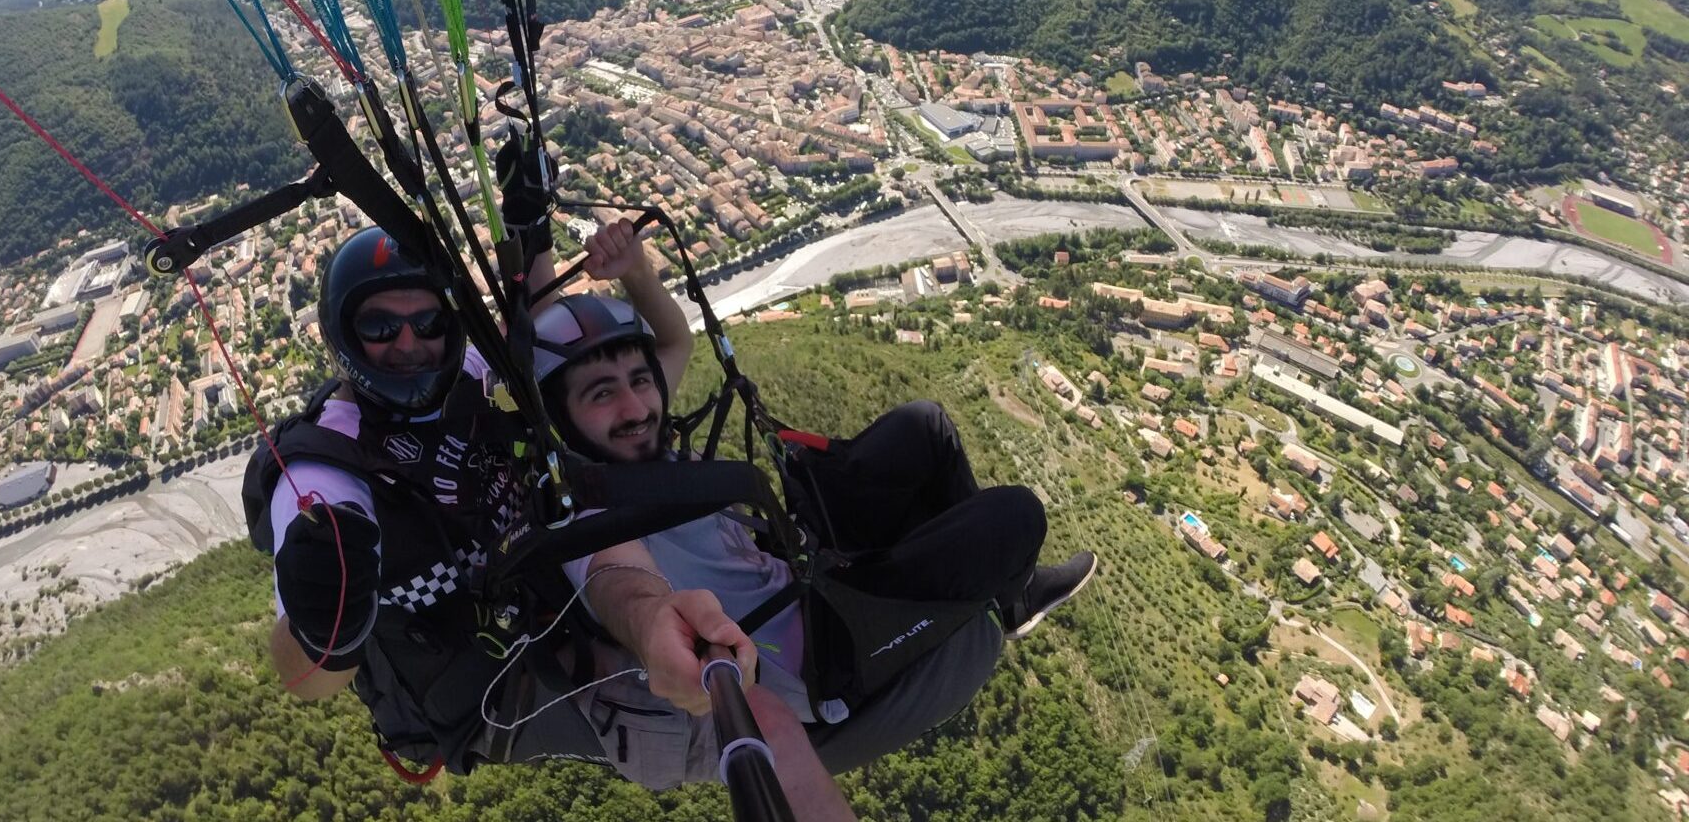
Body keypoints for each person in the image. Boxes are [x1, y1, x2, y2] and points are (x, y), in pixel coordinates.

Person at [241, 218, 856, 818]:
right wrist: (324, 628)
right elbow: (306, 680)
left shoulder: (461, 375)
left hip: (550, 582)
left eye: (426, 322)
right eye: (380, 326)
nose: (407, 344)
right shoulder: (327, 473)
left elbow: (531, 332)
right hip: (496, 678)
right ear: (345, 336)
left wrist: (527, 225)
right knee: (763, 717)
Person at [532, 223, 1099, 781]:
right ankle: (995, 590)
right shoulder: (588, 512)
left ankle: (1007, 591)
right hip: (824, 655)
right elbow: (617, 581)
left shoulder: (638, 443)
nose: (635, 407)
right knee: (1016, 516)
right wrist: (652, 621)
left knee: (924, 426)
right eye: (601, 393)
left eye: (639, 379)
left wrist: (633, 269)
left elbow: (674, 341)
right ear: (559, 421)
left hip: (808, 568)